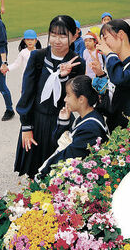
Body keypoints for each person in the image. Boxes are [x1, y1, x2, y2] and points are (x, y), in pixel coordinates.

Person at [14, 14, 85, 178]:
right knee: (34, 172)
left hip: (60, 122)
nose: (56, 40)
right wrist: (26, 126)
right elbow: (27, 93)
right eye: (53, 35)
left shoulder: (77, 62)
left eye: (62, 36)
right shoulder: (37, 57)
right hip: (36, 122)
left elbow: (74, 98)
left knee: (58, 171)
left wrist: (64, 78)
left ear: (74, 36)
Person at [38, 75, 109, 179]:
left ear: (81, 99)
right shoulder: (85, 117)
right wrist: (63, 121)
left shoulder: (90, 128)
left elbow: (66, 157)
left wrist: (42, 174)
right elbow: (58, 143)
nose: (65, 99)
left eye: (68, 95)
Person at [92, 19, 130, 132]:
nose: (103, 44)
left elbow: (120, 79)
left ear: (121, 35)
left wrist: (110, 54)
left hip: (128, 134)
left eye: (106, 38)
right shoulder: (120, 65)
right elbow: (113, 99)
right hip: (114, 130)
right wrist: (101, 75)